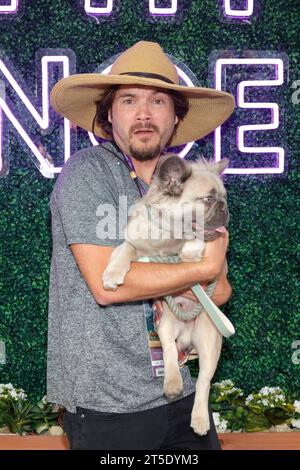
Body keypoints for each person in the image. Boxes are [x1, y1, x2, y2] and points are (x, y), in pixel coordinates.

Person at [48, 41, 235, 450]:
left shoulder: (194, 185)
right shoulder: (86, 173)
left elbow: (220, 292)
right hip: (108, 406)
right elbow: (107, 284)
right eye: (129, 100)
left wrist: (203, 276)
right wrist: (199, 271)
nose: (144, 114)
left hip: (181, 394)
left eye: (159, 101)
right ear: (109, 114)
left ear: (175, 117)